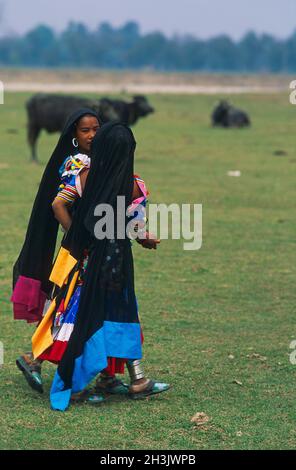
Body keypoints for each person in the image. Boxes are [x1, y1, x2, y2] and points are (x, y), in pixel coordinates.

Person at [11, 109, 169, 410]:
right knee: (79, 314)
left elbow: (127, 221)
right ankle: (65, 369)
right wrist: (83, 237)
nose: (92, 136)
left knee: (91, 313)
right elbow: (63, 206)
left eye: (98, 131)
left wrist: (135, 235)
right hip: (100, 260)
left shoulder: (88, 178)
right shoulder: (99, 176)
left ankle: (117, 376)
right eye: (86, 130)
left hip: (95, 258)